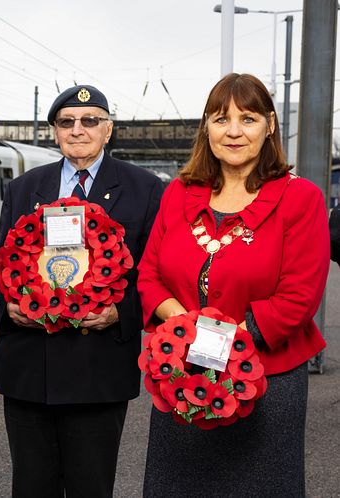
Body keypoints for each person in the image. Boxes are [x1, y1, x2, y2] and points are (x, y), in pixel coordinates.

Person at [137, 73, 329, 497]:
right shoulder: (178, 194)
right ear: (206, 127)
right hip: (181, 377)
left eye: (249, 118)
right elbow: (149, 275)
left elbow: (299, 297)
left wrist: (225, 340)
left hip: (265, 384)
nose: (235, 131)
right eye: (222, 119)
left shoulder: (302, 199)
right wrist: (185, 331)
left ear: (271, 125)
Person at [0, 85, 164, 497]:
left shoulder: (145, 188)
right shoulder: (24, 188)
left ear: (109, 129)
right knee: (31, 486)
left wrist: (121, 313)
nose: (78, 130)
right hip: (30, 367)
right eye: (66, 122)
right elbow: (1, 262)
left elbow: (154, 272)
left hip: (98, 369)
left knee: (91, 486)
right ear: (55, 131)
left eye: (90, 121)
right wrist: (9, 305)